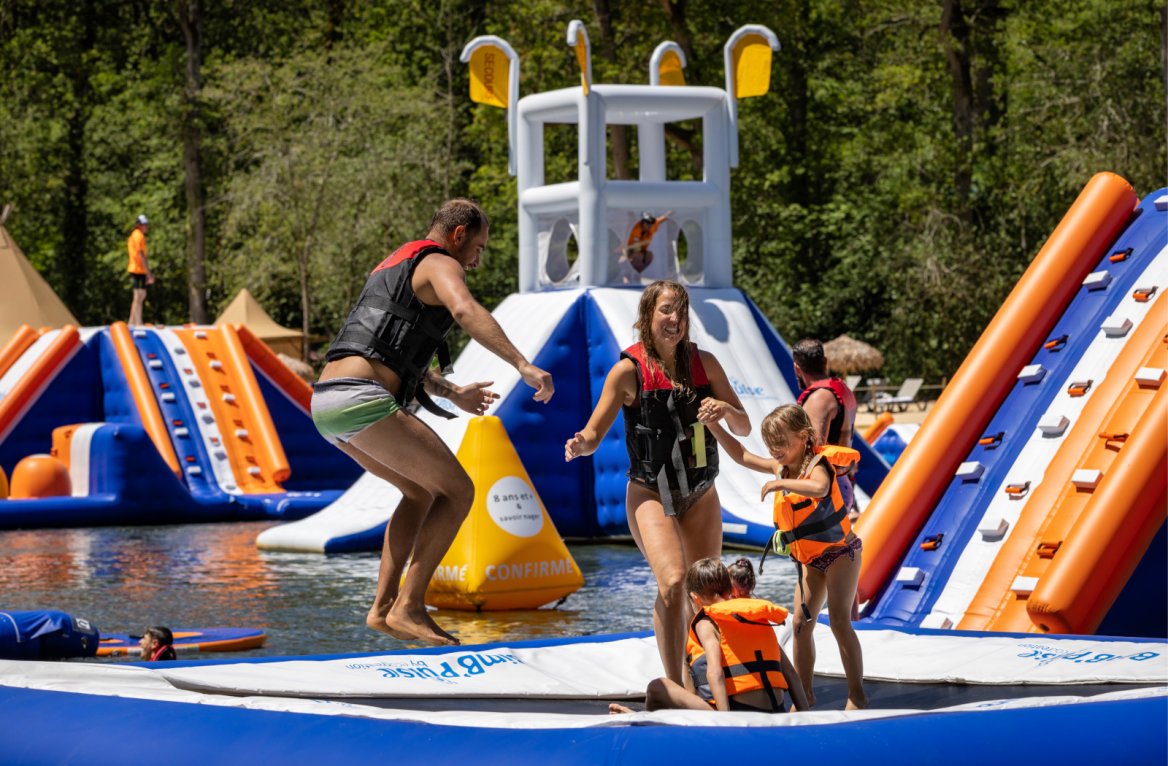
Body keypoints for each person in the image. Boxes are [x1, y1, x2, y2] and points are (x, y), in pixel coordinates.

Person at [315, 198, 554, 646]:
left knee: (420, 492)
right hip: (360, 399)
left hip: (327, 403)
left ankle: (383, 610)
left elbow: (388, 350)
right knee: (460, 491)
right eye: (478, 247)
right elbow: (464, 311)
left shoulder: (395, 265)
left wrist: (452, 392)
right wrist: (522, 364)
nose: (478, 259)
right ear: (458, 235)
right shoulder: (440, 261)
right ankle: (409, 606)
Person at [565, 280, 750, 685]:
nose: (675, 320)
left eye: (682, 312)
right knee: (672, 583)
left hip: (700, 492)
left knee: (706, 590)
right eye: (667, 310)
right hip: (651, 492)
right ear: (647, 317)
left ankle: (706, 666)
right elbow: (595, 433)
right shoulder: (627, 371)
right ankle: (677, 684)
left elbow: (744, 425)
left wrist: (725, 410)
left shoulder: (707, 365)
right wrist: (582, 443)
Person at [708, 405, 867, 710]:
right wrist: (715, 427)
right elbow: (742, 455)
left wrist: (780, 483)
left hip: (840, 554)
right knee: (799, 625)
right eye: (770, 446)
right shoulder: (780, 466)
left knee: (838, 622)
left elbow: (820, 488)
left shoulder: (816, 465)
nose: (775, 451)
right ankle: (805, 694)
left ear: (804, 437)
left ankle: (857, 695)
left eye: (781, 443)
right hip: (809, 561)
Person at [608, 558, 807, 714]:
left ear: (694, 598)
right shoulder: (756, 617)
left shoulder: (706, 622)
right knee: (692, 674)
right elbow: (791, 674)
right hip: (776, 711)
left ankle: (645, 727)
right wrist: (808, 719)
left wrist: (725, 722)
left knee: (657, 687)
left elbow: (714, 673)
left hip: (739, 715)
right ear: (729, 590)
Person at [792, 339, 858, 520]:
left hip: (826, 489)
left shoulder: (819, 398)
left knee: (815, 548)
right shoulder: (842, 390)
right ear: (825, 361)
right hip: (841, 482)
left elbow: (814, 451)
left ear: (797, 368)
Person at [618, 211, 673, 276]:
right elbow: (631, 216)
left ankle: (637, 273)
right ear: (642, 222)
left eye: (652, 222)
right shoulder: (634, 227)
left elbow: (664, 218)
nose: (650, 224)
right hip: (622, 255)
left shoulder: (653, 226)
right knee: (628, 271)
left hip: (636, 255)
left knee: (648, 255)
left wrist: (673, 209)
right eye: (648, 222)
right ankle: (627, 274)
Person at [127, 215, 155, 327]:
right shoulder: (139, 236)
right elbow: (141, 255)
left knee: (140, 295)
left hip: (137, 269)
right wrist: (149, 272)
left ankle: (132, 321)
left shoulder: (134, 235)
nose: (147, 227)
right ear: (139, 225)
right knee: (139, 296)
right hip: (137, 269)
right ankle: (137, 322)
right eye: (145, 225)